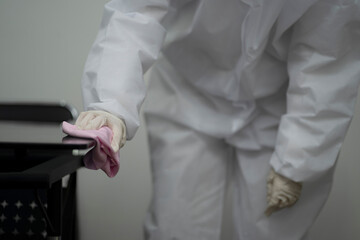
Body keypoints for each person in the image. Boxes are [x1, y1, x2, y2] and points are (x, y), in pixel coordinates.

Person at [75, 0, 360, 239]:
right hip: (187, 92)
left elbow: (327, 53)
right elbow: (135, 13)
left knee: (272, 230)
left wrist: (299, 155)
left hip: (278, 103)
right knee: (177, 225)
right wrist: (112, 102)